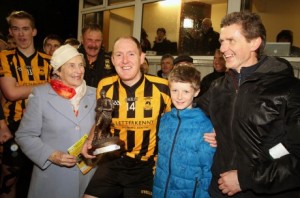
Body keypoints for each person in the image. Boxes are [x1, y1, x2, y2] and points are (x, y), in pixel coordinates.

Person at [196, 11, 300, 197]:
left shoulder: (288, 90)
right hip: (218, 191)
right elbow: (193, 112)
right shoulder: (217, 87)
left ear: (254, 42)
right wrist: (208, 127)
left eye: (231, 40)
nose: (223, 48)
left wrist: (246, 179)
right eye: (221, 41)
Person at [81, 36, 172, 198]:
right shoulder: (104, 86)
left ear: (141, 58)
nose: (124, 61)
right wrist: (90, 139)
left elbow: (179, 121)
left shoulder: (163, 88)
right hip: (112, 160)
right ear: (113, 60)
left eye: (131, 54)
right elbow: (101, 120)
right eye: (119, 55)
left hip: (144, 166)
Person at [14, 44, 96, 198]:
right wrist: (51, 155)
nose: (79, 71)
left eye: (81, 65)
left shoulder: (95, 94)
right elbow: (24, 136)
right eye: (71, 66)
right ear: (58, 70)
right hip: (53, 179)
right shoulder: (41, 95)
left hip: (88, 181)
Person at [0, 10, 51, 198]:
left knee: (38, 179)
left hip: (43, 128)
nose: (21, 34)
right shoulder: (5, 57)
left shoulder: (49, 61)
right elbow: (11, 93)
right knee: (9, 179)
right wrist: (46, 85)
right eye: (16, 29)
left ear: (34, 31)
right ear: (11, 32)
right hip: (14, 126)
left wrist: (24, 87)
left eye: (25, 29)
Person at [153, 64, 215, 198]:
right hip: (160, 189)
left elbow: (208, 169)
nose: (179, 97)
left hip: (189, 192)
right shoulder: (165, 120)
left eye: (186, 91)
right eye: (175, 90)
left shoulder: (204, 125)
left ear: (196, 92)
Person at [78, 23, 116, 88]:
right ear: (82, 39)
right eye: (90, 40)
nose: (93, 45)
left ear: (102, 41)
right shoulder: (72, 58)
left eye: (97, 41)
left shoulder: (111, 61)